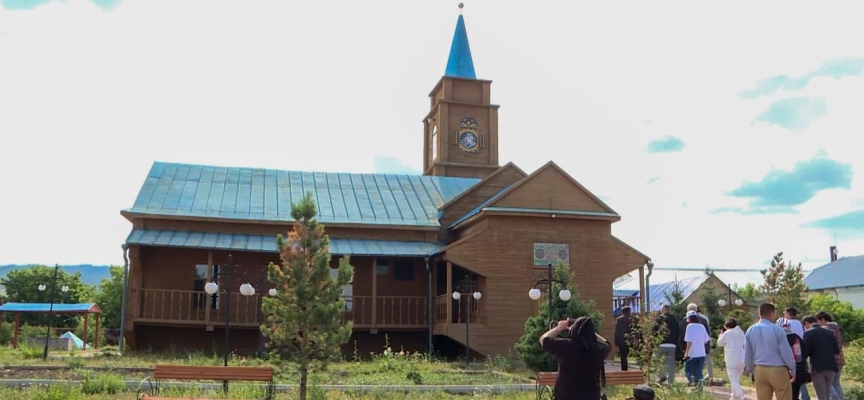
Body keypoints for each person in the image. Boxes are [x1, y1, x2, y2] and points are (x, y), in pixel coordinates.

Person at [540, 316, 611, 400]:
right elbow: (607, 344)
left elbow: (543, 340)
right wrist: (589, 332)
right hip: (591, 396)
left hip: (566, 396)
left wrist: (559, 328)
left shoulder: (566, 346)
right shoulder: (598, 349)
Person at [744, 302, 795, 400]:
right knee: (784, 396)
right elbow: (786, 353)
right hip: (778, 369)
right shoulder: (778, 330)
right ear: (772, 313)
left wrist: (752, 371)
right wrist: (792, 368)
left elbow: (747, 355)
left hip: (760, 369)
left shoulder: (750, 330)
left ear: (760, 313)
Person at [802, 315, 840, 400]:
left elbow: (804, 352)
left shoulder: (808, 333)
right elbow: (836, 350)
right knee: (827, 393)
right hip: (831, 366)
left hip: (817, 368)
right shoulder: (829, 333)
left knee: (820, 395)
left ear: (807, 323)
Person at [815, 311, 845, 400]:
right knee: (836, 383)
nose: (818, 324)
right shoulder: (836, 328)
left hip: (831, 360)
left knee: (827, 383)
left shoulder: (826, 329)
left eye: (818, 321)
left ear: (823, 319)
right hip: (840, 359)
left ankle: (836, 399)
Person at [682, 303, 713, 381]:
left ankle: (693, 382)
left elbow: (688, 341)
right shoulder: (702, 326)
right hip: (701, 353)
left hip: (692, 353)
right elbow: (706, 340)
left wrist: (686, 353)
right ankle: (699, 388)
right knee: (699, 372)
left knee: (687, 370)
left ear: (689, 318)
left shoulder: (689, 327)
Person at [718, 318, 746, 400]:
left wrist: (721, 334)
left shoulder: (727, 333)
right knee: (736, 379)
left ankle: (741, 397)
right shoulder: (741, 332)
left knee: (733, 380)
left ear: (727, 326)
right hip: (742, 359)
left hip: (731, 359)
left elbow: (720, 343)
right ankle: (734, 396)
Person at [781, 320, 810, 400]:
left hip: (784, 370)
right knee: (795, 394)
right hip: (799, 369)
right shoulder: (797, 338)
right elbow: (804, 353)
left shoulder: (781, 338)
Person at [654, 304, 680, 384]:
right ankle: (671, 381)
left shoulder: (659, 319)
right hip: (672, 345)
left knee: (656, 361)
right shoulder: (674, 320)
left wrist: (655, 341)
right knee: (671, 364)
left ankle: (662, 376)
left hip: (662, 344)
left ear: (663, 310)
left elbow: (654, 330)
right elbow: (678, 331)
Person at [615, 306, 634, 371]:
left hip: (622, 341)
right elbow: (638, 330)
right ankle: (642, 369)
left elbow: (617, 331)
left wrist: (616, 341)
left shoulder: (619, 320)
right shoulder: (634, 319)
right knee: (638, 355)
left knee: (623, 357)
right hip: (632, 340)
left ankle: (624, 371)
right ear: (629, 311)